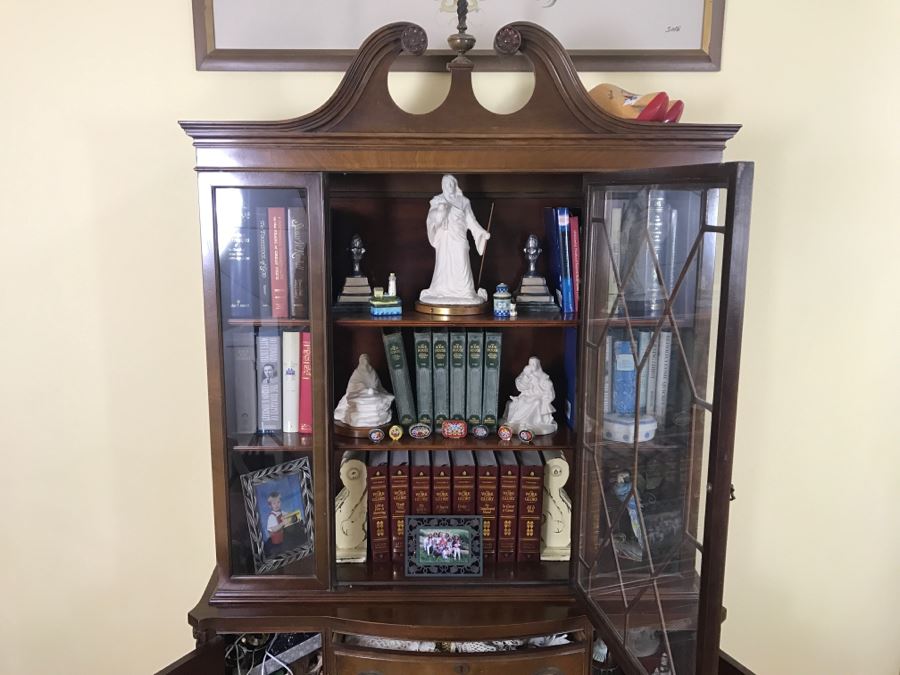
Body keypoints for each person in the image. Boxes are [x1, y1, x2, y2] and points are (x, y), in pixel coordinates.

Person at [419, 175, 491, 305]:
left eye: (451, 184)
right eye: (446, 184)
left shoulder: (464, 201)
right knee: (443, 265)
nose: (449, 187)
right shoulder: (437, 200)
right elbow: (431, 218)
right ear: (442, 186)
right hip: (444, 239)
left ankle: (466, 292)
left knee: (462, 262)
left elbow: (471, 221)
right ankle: (440, 290)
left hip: (459, 238)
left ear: (455, 185)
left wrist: (481, 232)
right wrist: (440, 213)